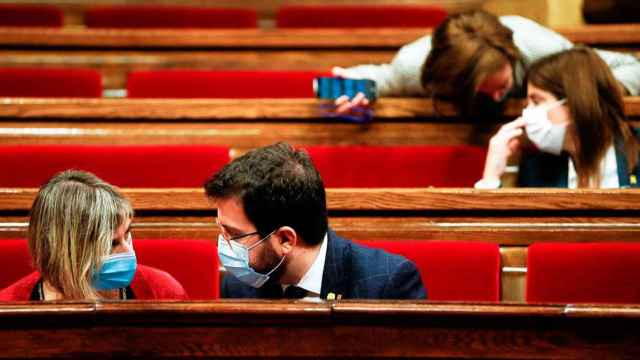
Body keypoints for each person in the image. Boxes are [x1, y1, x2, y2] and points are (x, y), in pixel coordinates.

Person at [205, 142, 426, 299]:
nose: (224, 245)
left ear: (285, 239)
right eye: (222, 230)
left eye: (233, 234)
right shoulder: (238, 287)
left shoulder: (387, 283)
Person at [334, 10, 640, 117]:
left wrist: (583, 92)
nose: (497, 98)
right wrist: (357, 87)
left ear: (513, 56)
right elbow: (385, 78)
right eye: (483, 92)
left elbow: (632, 69)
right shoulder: (416, 64)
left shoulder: (540, 48)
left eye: (503, 86)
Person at [0, 170, 188, 301]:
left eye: (128, 235)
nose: (128, 251)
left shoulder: (161, 291)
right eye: (110, 244)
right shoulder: (9, 307)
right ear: (65, 251)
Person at [475, 47, 640, 189]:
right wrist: (491, 177)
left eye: (537, 101)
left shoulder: (635, 149)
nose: (527, 114)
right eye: (528, 103)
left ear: (575, 103)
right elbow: (518, 225)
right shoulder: (536, 167)